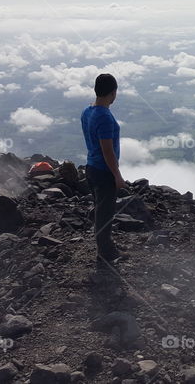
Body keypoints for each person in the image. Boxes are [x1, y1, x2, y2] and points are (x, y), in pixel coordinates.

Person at [81, 73, 126, 265]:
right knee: (105, 215)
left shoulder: (87, 111)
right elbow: (107, 151)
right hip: (103, 171)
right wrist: (117, 175)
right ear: (113, 93)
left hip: (91, 167)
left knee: (101, 210)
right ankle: (105, 254)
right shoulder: (105, 117)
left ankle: (106, 247)